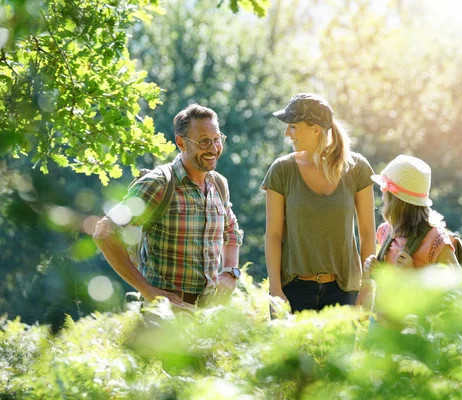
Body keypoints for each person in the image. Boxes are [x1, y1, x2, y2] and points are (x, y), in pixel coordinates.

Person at [93, 104, 244, 308]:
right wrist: (147, 290)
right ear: (181, 143)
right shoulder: (159, 184)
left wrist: (230, 272)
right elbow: (105, 232)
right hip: (165, 316)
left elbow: (231, 230)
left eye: (217, 139)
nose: (213, 148)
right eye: (204, 142)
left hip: (208, 314)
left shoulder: (218, 184)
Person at [262, 93, 376, 313]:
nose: (287, 133)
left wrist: (367, 286)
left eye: (293, 126)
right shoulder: (282, 170)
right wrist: (275, 290)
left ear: (315, 128)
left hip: (344, 292)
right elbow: (274, 235)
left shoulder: (357, 168)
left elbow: (368, 233)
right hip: (292, 291)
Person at [357, 154, 462, 311]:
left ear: (395, 201)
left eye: (385, 191)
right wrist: (371, 271)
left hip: (415, 328)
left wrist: (413, 275)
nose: (382, 195)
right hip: (383, 323)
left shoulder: (435, 240)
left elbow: (458, 285)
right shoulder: (385, 232)